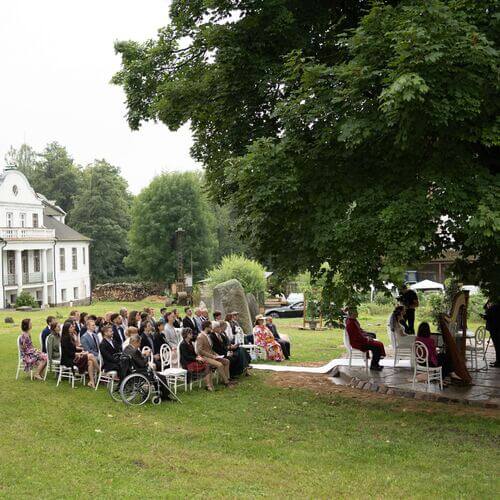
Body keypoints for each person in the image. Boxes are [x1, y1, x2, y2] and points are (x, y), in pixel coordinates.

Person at [195, 320, 234, 387]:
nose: (211, 329)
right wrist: (212, 356)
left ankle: (227, 378)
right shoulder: (200, 337)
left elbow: (210, 348)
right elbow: (200, 351)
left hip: (212, 356)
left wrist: (216, 355)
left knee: (226, 361)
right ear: (206, 327)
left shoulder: (207, 335)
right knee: (219, 365)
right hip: (204, 357)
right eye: (210, 327)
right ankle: (226, 382)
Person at [60, 320, 98, 388]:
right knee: (91, 355)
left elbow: (73, 348)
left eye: (72, 327)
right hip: (69, 359)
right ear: (67, 329)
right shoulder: (65, 338)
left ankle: (91, 381)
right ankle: (99, 371)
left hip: (74, 356)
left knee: (90, 362)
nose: (73, 328)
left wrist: (81, 350)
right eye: (71, 327)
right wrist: (80, 354)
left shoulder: (70, 336)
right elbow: (68, 353)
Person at [483, 300, 500, 367]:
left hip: (494, 329)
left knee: (497, 346)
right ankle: (497, 361)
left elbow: (489, 316)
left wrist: (484, 316)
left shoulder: (494, 307)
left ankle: (498, 362)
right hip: (496, 328)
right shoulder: (494, 306)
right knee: (497, 346)